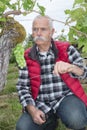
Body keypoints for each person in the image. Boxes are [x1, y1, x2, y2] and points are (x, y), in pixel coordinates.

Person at [16, 15, 87, 130]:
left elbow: (84, 73)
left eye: (43, 29)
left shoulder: (66, 49)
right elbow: (22, 87)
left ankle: (68, 116)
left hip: (64, 97)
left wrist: (71, 67)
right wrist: (32, 110)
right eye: (35, 29)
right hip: (40, 103)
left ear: (52, 31)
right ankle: (51, 121)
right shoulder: (26, 56)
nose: (38, 33)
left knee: (76, 119)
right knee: (22, 127)